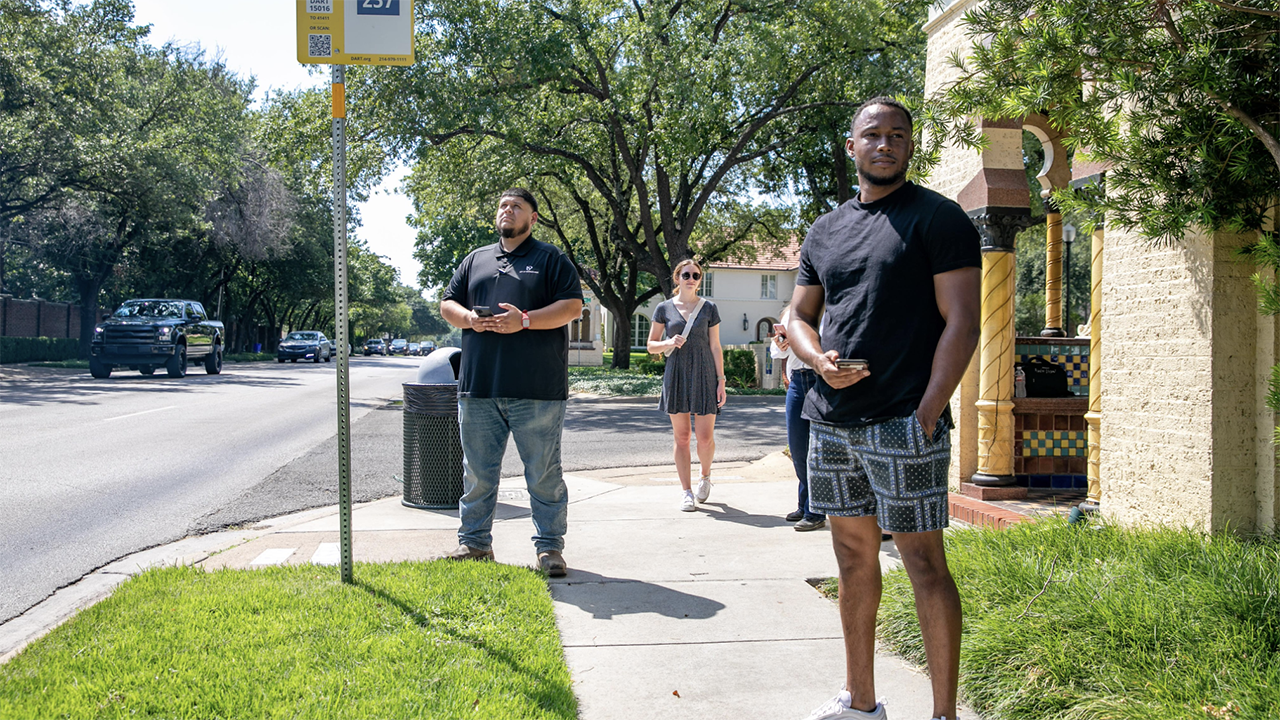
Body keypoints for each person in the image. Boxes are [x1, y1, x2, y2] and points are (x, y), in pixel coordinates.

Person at [788, 97, 981, 720]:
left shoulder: (939, 218)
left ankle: (944, 714)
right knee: (850, 559)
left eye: (898, 135)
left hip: (905, 423)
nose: (885, 143)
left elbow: (964, 322)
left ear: (908, 146)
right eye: (873, 134)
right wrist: (818, 363)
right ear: (853, 147)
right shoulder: (825, 230)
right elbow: (797, 316)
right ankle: (861, 701)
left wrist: (928, 413)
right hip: (833, 423)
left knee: (924, 562)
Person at [439, 188, 584, 577]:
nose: (508, 210)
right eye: (503, 205)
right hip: (479, 386)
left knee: (543, 474)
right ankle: (474, 543)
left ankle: (550, 549)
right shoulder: (476, 259)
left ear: (532, 218)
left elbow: (573, 306)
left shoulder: (550, 258)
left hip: (536, 388)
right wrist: (469, 318)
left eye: (517, 206)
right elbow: (447, 304)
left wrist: (524, 320)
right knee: (478, 472)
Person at [646, 259, 727, 512]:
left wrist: (721, 380)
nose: (691, 278)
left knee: (704, 438)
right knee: (682, 437)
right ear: (677, 278)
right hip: (677, 374)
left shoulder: (709, 308)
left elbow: (715, 345)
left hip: (704, 374)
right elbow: (651, 345)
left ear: (699, 279)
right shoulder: (663, 308)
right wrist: (668, 342)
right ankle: (686, 492)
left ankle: (705, 476)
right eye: (686, 274)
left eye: (696, 275)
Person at [770, 307, 826, 531]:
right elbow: (779, 354)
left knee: (816, 449)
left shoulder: (829, 307)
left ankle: (815, 510)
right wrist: (780, 344)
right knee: (798, 447)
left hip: (819, 379)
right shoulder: (789, 311)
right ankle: (805, 505)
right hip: (797, 381)